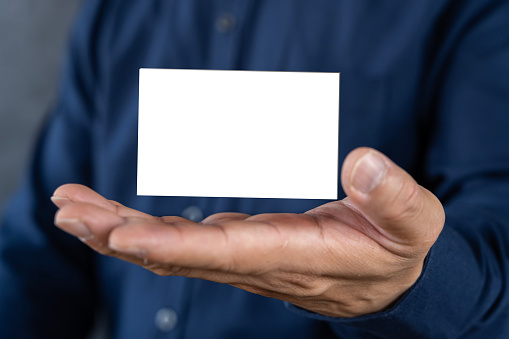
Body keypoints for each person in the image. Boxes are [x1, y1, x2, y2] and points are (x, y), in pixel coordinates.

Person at [1, 0, 508, 338]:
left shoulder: (464, 10)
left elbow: (497, 243)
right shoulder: (118, 11)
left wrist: (411, 281)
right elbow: (36, 257)